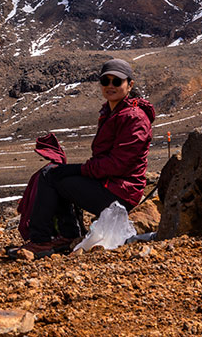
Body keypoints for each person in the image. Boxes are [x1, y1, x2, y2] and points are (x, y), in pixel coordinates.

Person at [16, 58, 155, 258]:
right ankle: (67, 234)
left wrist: (78, 169)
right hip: (112, 185)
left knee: (52, 177)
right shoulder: (113, 111)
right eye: (105, 81)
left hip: (120, 192)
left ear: (129, 84)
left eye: (117, 81)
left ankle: (42, 241)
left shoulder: (133, 118)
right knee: (53, 173)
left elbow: (117, 164)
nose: (110, 86)